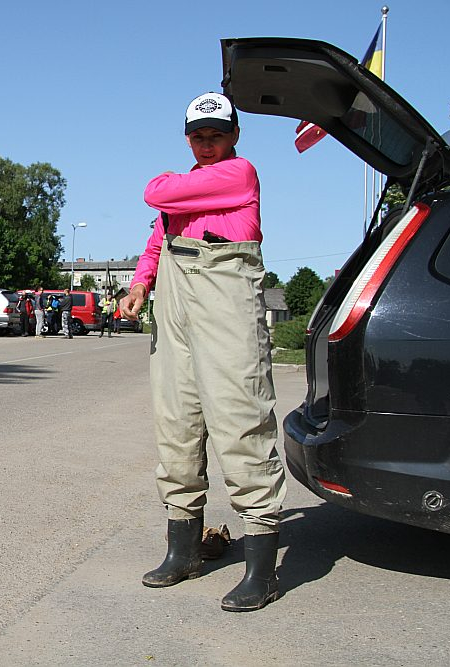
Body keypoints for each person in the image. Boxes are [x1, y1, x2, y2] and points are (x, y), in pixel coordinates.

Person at [119, 91, 287, 612]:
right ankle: (183, 551)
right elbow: (158, 240)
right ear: (188, 138)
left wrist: (169, 187)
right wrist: (141, 283)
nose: (207, 144)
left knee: (241, 422)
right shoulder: (182, 197)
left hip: (225, 305)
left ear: (235, 134)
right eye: (198, 136)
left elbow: (155, 191)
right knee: (177, 422)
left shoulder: (239, 174)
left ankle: (261, 570)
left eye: (216, 135)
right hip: (174, 308)